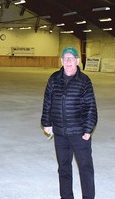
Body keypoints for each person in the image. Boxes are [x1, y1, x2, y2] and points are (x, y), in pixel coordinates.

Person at [41, 47, 98, 199]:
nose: (68, 61)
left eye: (71, 58)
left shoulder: (84, 81)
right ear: (61, 61)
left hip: (79, 133)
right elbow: (48, 102)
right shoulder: (54, 79)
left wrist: (88, 129)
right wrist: (46, 123)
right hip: (60, 133)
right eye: (65, 58)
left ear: (77, 61)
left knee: (85, 168)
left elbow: (91, 106)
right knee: (64, 169)